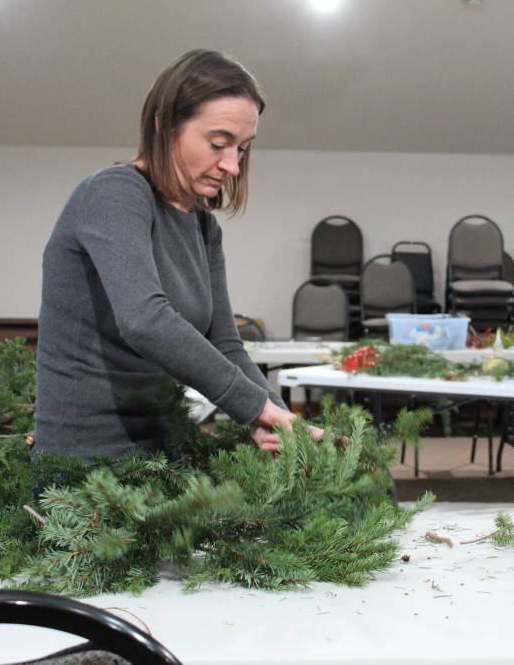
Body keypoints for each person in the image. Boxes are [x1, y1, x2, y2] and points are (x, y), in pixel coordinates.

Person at [36, 49, 312, 461]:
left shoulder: (203, 226)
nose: (232, 165)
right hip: (86, 465)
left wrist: (281, 424)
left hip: (164, 448)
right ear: (163, 124)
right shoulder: (114, 193)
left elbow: (225, 345)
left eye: (243, 148)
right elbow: (145, 320)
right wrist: (253, 406)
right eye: (219, 143)